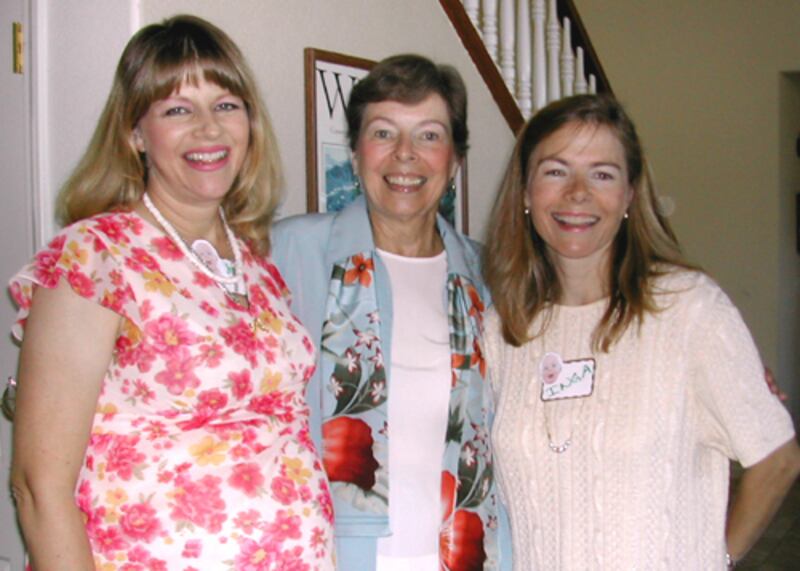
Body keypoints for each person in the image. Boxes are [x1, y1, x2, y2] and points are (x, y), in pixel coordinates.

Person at [7, 15, 334, 570]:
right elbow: (39, 488)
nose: (209, 129)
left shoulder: (257, 266)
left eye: (226, 105)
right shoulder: (96, 257)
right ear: (135, 133)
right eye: (178, 110)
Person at [482, 93, 800, 569]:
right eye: (556, 171)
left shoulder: (687, 309)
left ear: (629, 195)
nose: (577, 193)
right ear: (525, 192)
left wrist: (717, 558)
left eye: (602, 174)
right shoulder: (503, 328)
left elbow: (778, 459)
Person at [271, 55, 510, 570]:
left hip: (464, 554)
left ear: (455, 159)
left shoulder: (488, 276)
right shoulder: (289, 252)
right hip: (327, 554)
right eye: (383, 133)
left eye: (429, 136)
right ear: (356, 153)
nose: (405, 154)